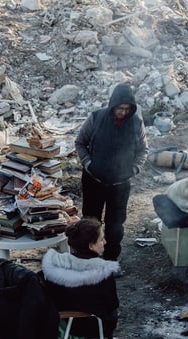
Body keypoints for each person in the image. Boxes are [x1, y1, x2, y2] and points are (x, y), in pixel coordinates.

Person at [74, 83, 148, 264]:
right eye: (119, 108)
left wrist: (134, 169)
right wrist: (89, 164)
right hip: (93, 180)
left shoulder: (136, 123)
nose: (123, 112)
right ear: (113, 105)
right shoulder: (97, 117)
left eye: (127, 109)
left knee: (115, 225)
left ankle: (110, 261)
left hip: (120, 184)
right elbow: (80, 143)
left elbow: (143, 150)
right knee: (90, 223)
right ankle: (88, 260)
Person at [41, 218, 122, 339]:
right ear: (90, 246)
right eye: (101, 239)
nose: (105, 242)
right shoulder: (103, 271)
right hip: (87, 326)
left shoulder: (56, 265)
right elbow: (112, 306)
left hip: (61, 323)